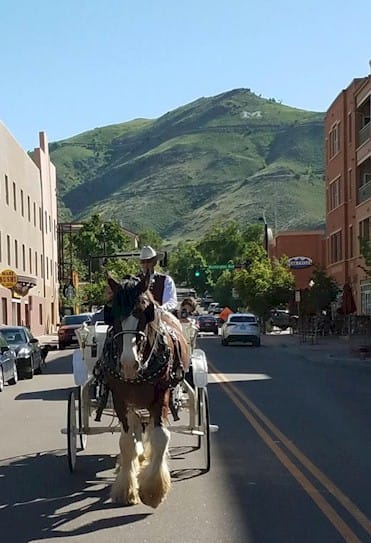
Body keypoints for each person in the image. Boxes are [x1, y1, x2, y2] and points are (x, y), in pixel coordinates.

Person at [139, 245, 178, 313]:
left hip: (160, 316)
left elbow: (171, 301)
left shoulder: (166, 280)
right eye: (143, 261)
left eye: (148, 261)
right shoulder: (135, 281)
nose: (145, 264)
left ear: (155, 262)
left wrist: (160, 309)